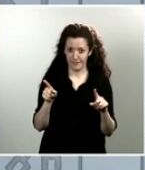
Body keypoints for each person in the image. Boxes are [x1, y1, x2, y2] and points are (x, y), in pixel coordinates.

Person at [33, 23, 117, 153]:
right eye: (70, 50)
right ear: (64, 50)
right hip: (54, 154)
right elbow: (39, 126)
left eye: (81, 51)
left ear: (90, 51)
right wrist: (47, 103)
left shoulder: (100, 81)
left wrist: (104, 111)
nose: (75, 56)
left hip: (91, 155)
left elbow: (109, 131)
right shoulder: (52, 79)